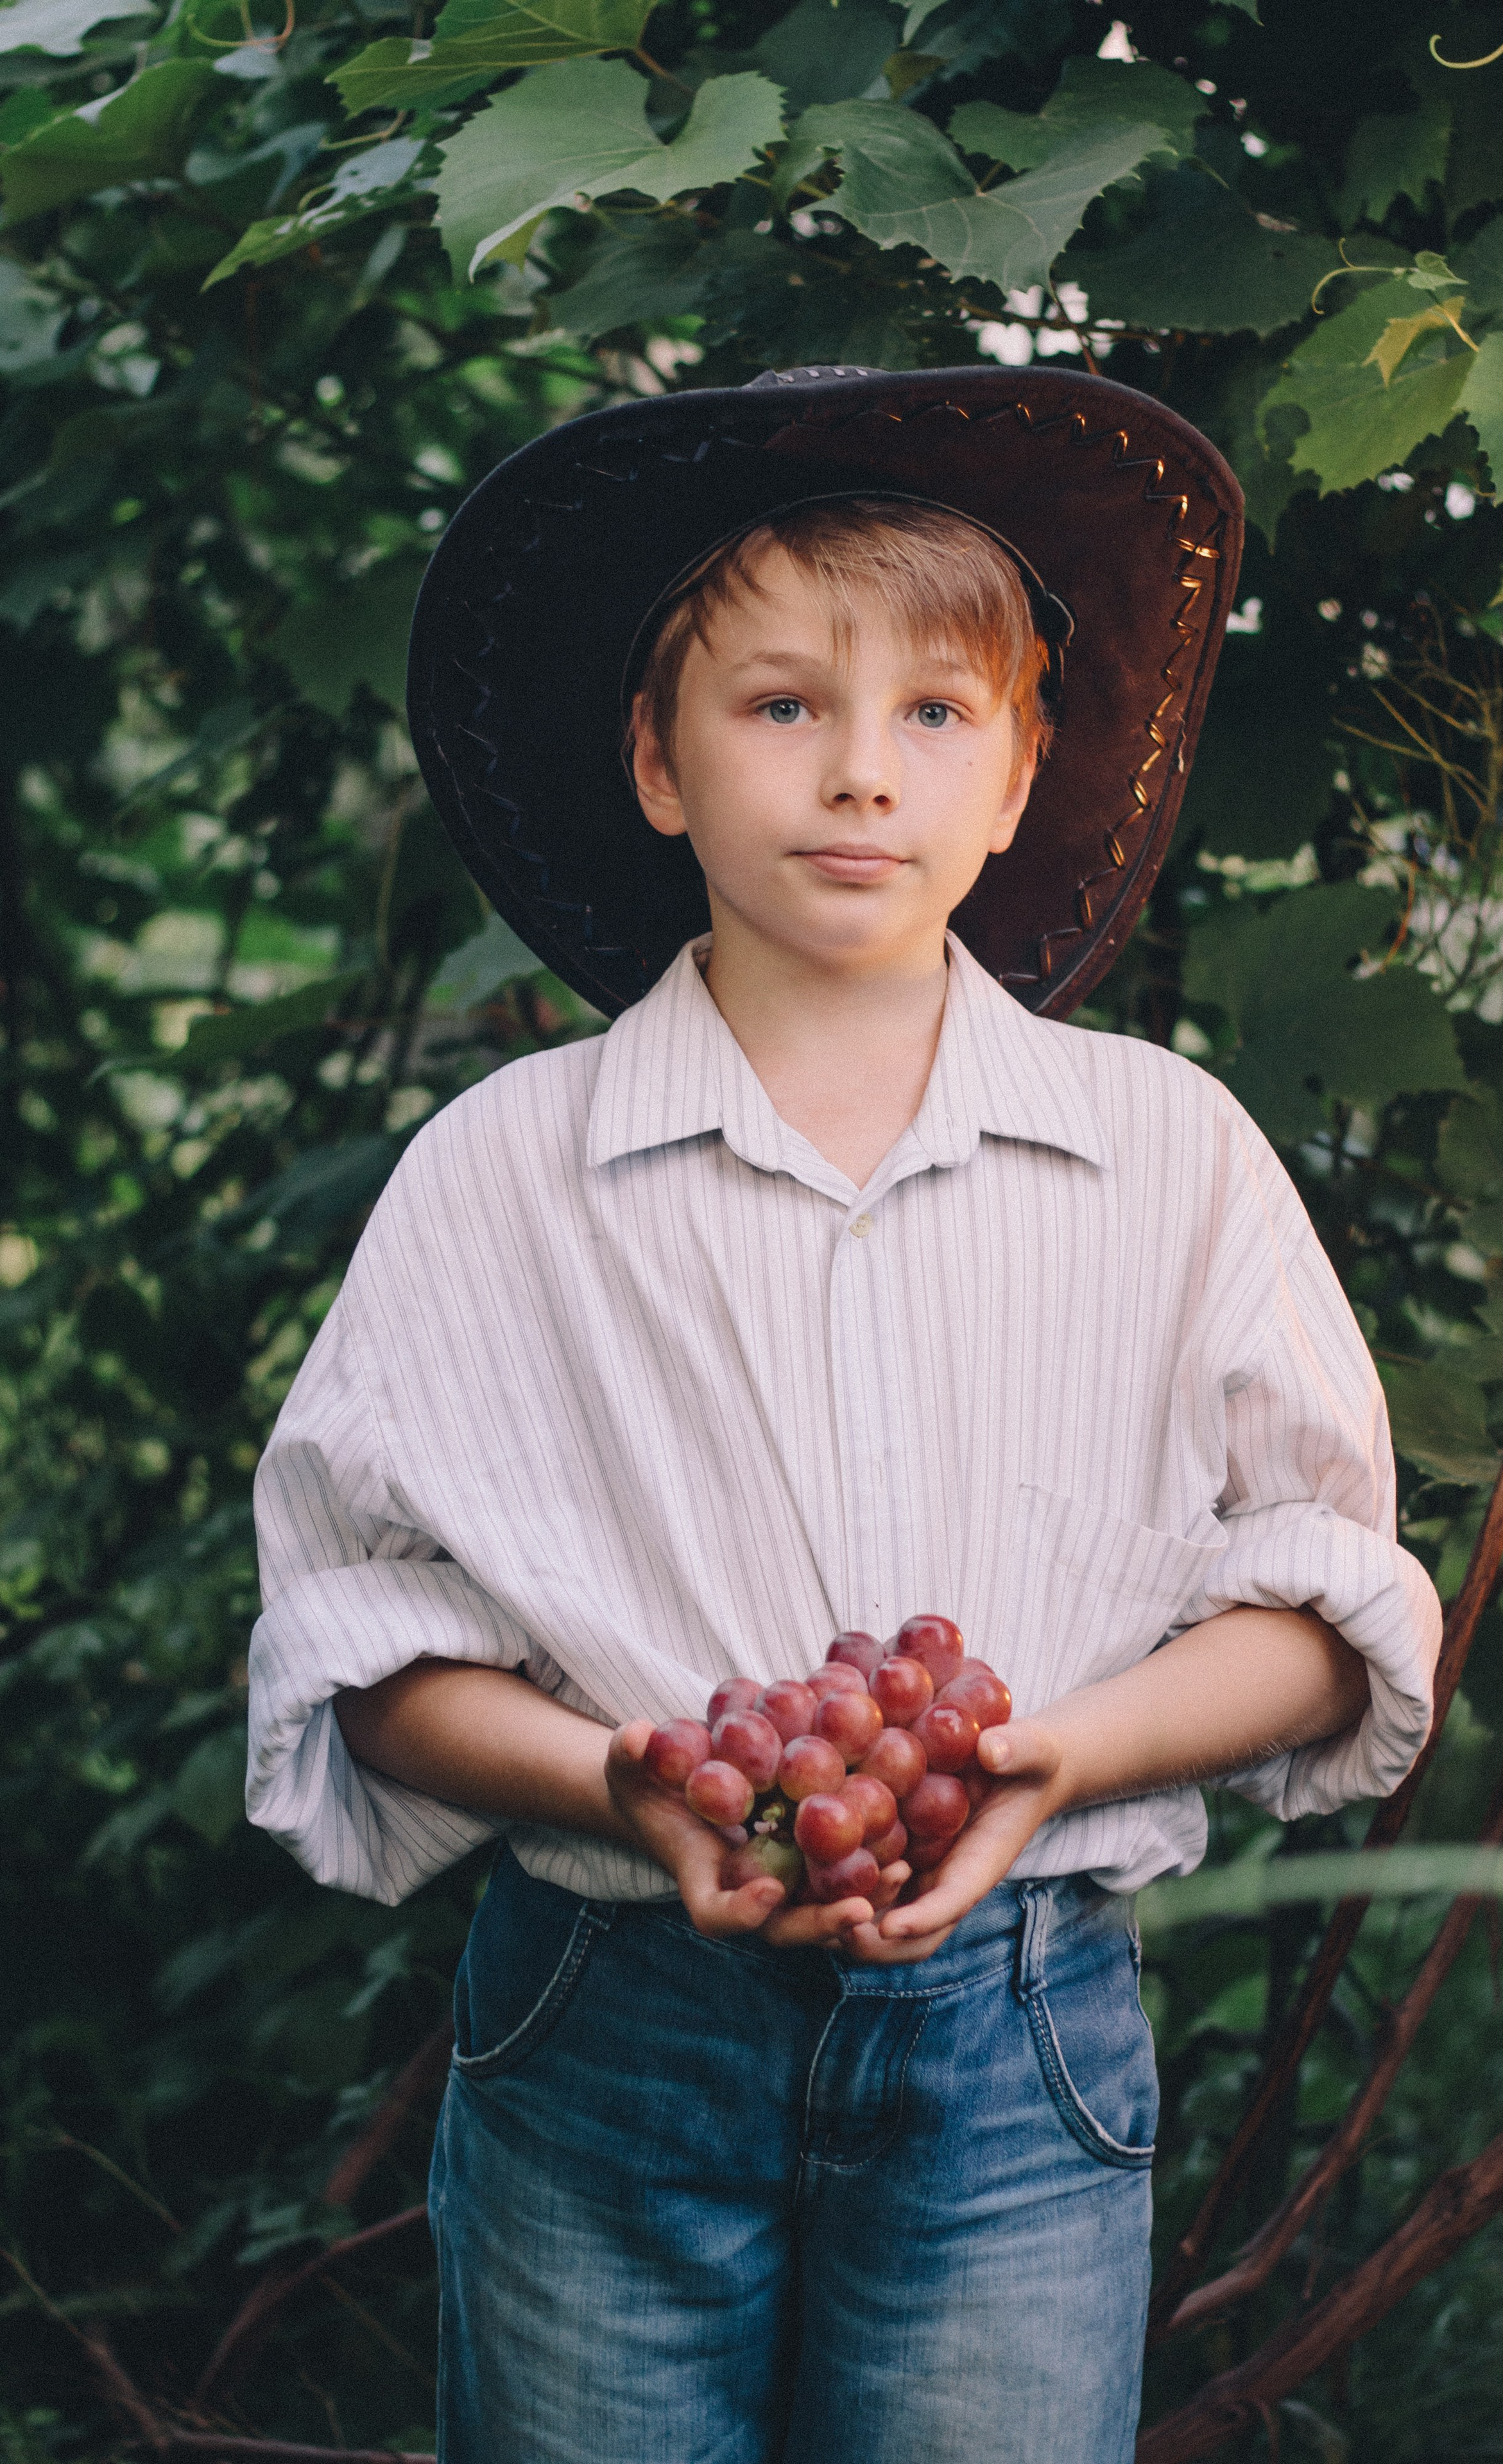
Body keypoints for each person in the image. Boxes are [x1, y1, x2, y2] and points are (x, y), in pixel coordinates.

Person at [246, 366, 1441, 2464]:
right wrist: (623, 1776)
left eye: (935, 717)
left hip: (1021, 2036)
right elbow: (368, 1647)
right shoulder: (504, 1174)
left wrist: (1063, 1749)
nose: (859, 775)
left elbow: (1323, 1609)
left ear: (1019, 775)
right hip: (607, 2028)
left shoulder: (1171, 1160)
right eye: (782, 706)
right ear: (656, 760)